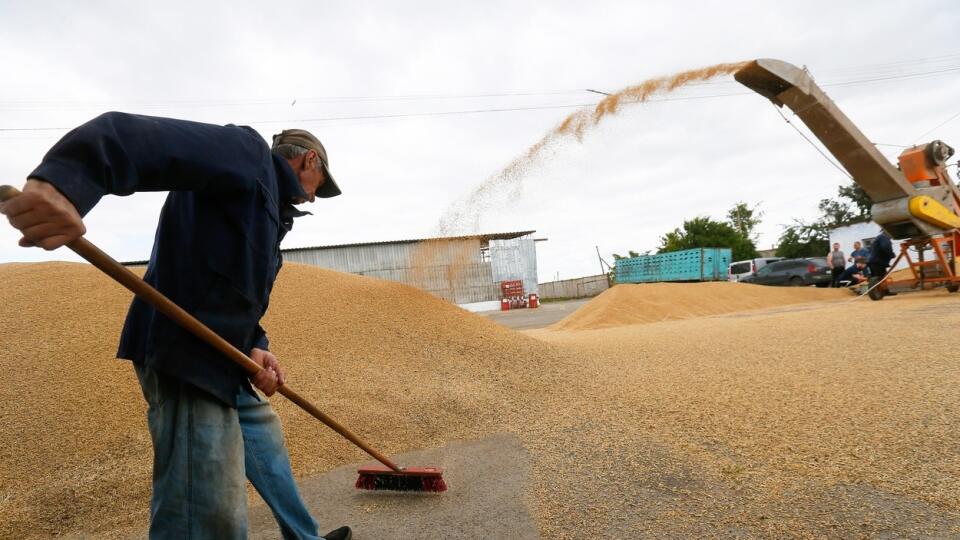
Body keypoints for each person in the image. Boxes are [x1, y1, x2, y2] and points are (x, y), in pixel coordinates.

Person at [0, 112, 351, 540]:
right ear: (308, 161)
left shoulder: (268, 215)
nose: (313, 199)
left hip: (226, 357)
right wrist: (63, 183)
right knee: (206, 511)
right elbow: (138, 138)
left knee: (266, 442)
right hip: (188, 354)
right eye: (319, 187)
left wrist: (256, 344)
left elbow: (237, 294)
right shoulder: (247, 155)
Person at [867, 231, 897, 297]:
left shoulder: (878, 238)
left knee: (876, 278)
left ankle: (883, 292)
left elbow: (869, 250)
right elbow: (885, 247)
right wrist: (891, 254)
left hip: (872, 261)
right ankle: (882, 292)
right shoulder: (883, 237)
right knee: (880, 278)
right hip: (878, 262)